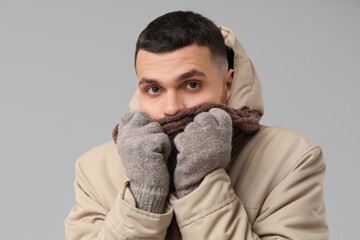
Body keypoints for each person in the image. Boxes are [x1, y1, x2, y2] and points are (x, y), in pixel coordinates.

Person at [65, 11, 329, 239]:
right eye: (154, 89)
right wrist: (143, 197)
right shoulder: (94, 169)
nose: (172, 107)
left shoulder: (290, 159)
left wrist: (200, 184)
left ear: (228, 85)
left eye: (191, 85)